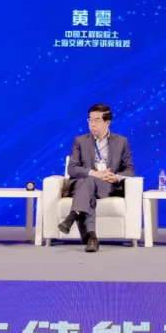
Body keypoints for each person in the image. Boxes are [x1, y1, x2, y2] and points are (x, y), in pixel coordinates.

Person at [59, 104, 135, 252]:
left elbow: (130, 170)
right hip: (82, 183)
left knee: (86, 190)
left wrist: (116, 177)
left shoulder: (121, 142)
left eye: (97, 120)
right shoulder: (80, 141)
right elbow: (72, 168)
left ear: (107, 122)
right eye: (90, 120)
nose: (92, 124)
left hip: (106, 185)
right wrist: (94, 173)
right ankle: (92, 238)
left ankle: (73, 217)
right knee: (88, 184)